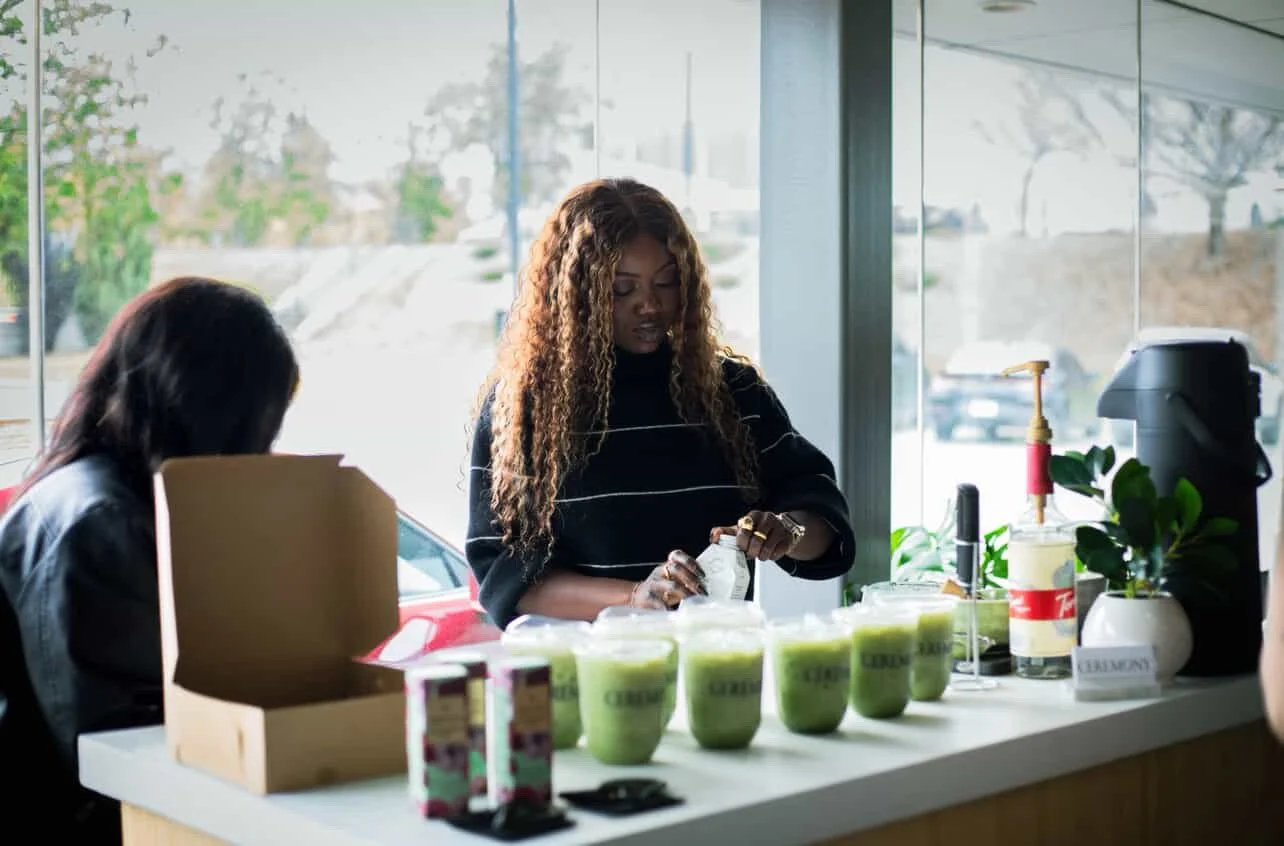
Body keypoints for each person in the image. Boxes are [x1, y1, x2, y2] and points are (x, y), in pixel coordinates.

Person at [466, 178, 856, 627]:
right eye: (621, 289)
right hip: (589, 677)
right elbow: (500, 569)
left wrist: (788, 532)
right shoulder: (524, 409)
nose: (649, 305)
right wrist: (635, 596)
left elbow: (824, 520)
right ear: (574, 295)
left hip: (717, 666)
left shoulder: (732, 393)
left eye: (666, 283)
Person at [0, 277, 299, 842]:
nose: (264, 448)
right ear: (217, 409)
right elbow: (128, 746)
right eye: (262, 420)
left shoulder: (105, 498)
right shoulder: (102, 524)